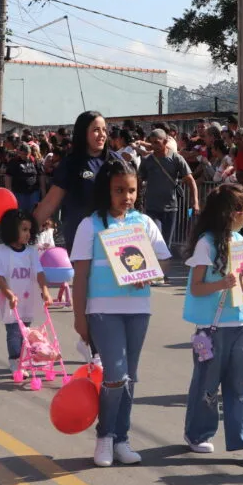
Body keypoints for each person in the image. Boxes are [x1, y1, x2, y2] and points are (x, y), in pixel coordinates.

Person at [70, 159, 171, 467]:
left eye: (131, 190)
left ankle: (121, 439)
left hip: (138, 310)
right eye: (119, 190)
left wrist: (149, 273)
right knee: (115, 376)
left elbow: (164, 261)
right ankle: (104, 436)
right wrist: (79, 317)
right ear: (106, 190)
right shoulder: (90, 225)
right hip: (102, 310)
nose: (126, 197)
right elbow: (81, 275)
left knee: (129, 377)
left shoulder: (144, 222)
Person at [182, 183, 243, 462]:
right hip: (212, 327)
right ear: (233, 213)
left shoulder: (241, 241)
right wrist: (221, 284)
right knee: (207, 383)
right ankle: (198, 433)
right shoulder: (206, 243)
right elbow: (196, 287)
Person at [34, 111, 113, 253]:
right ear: (83, 133)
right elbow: (50, 202)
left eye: (104, 130)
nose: (102, 134)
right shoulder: (70, 164)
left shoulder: (116, 161)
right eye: (96, 130)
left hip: (112, 236)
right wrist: (26, 230)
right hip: (79, 237)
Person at [0, 209, 52, 378]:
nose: (28, 234)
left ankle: (24, 359)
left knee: (26, 332)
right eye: (24, 230)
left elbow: (39, 273)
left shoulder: (31, 252)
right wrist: (9, 294)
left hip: (27, 300)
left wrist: (45, 290)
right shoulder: (2, 252)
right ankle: (15, 360)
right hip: (11, 301)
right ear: (12, 230)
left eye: (29, 230)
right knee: (14, 332)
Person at [140, 129, 199, 257]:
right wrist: (137, 201)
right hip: (152, 208)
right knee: (153, 241)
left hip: (170, 208)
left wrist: (195, 202)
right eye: (152, 143)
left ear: (165, 142)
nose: (154, 146)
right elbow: (138, 181)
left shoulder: (176, 158)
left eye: (157, 142)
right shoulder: (147, 160)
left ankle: (164, 268)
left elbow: (190, 180)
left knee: (166, 245)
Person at [4, 136, 42, 214]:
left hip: (33, 192)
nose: (25, 156)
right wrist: (9, 191)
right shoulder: (14, 162)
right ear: (19, 153)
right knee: (21, 213)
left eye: (27, 154)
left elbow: (41, 175)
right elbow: (8, 176)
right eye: (23, 154)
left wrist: (43, 191)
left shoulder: (35, 161)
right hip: (19, 192)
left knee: (33, 213)